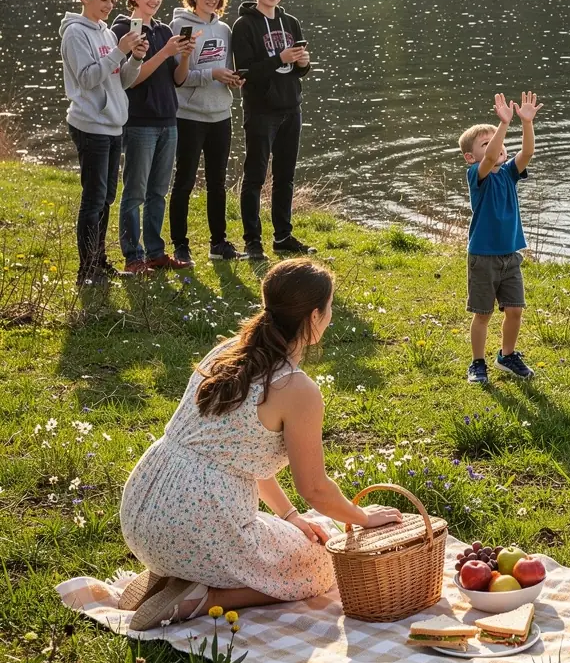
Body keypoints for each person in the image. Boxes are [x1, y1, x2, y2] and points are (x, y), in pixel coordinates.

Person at [119, 258, 403, 630]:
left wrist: (290, 517)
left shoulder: (228, 352)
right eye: (330, 308)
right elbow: (315, 488)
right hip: (197, 523)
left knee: (296, 535)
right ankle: (203, 597)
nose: (331, 316)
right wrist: (363, 518)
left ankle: (175, 571)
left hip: (142, 510)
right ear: (314, 317)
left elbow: (243, 457)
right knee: (322, 563)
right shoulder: (295, 388)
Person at [60, 0, 146, 286]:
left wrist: (134, 58)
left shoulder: (107, 33)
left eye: (112, 1)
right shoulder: (75, 33)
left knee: (107, 197)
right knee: (94, 199)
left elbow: (120, 81)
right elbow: (87, 79)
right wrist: (119, 51)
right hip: (90, 125)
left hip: (113, 124)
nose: (109, 6)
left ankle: (99, 262)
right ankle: (87, 271)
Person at [111, 0, 194, 274]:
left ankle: (156, 253)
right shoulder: (124, 30)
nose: (155, 0)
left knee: (158, 191)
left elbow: (178, 80)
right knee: (135, 191)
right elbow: (131, 80)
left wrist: (184, 55)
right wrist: (165, 52)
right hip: (139, 121)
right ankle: (133, 256)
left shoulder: (163, 30)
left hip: (168, 119)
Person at [232, 0, 312, 261]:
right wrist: (280, 58)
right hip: (261, 110)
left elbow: (298, 70)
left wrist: (303, 63)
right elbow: (246, 72)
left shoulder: (290, 22)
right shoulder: (244, 26)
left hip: (292, 107)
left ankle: (282, 237)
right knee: (255, 176)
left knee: (285, 176)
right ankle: (252, 242)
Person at [459, 92, 541, 386]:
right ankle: (477, 362)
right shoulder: (476, 175)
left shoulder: (508, 174)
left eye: (499, 141)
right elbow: (491, 157)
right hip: (483, 256)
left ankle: (507, 356)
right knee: (482, 314)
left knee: (515, 309)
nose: (497, 146)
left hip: (510, 255)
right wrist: (503, 124)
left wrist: (526, 123)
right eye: (486, 143)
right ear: (471, 157)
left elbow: (527, 153)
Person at [169, 0, 244, 265]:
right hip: (189, 115)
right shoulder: (180, 26)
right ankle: (180, 245)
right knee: (185, 181)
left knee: (217, 183)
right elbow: (178, 78)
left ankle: (218, 243)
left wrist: (232, 79)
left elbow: (225, 68)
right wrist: (211, 74)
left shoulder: (224, 30)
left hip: (220, 114)